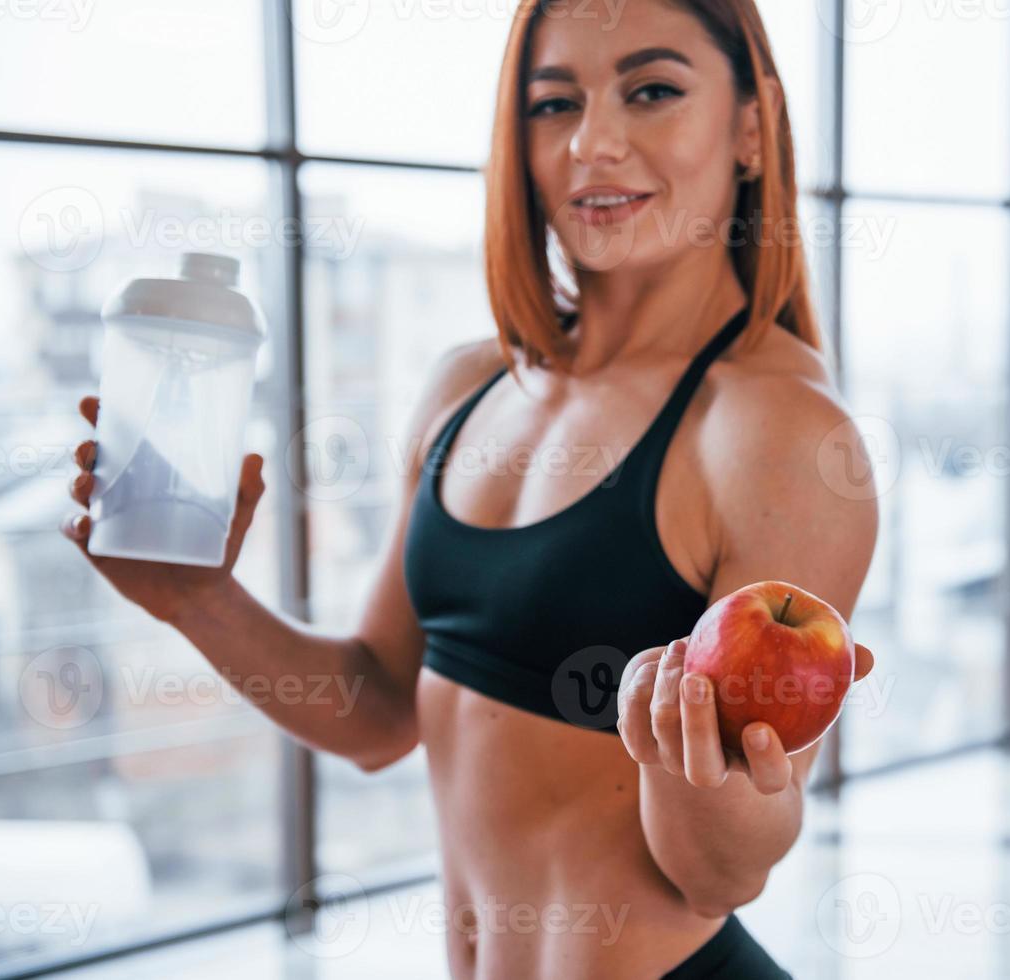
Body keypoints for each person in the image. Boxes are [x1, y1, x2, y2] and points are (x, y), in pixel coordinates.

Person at [63, 1, 879, 976]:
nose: (593, 141)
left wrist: (684, 761)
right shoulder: (467, 386)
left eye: (652, 91)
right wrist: (196, 597)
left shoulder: (780, 431)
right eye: (553, 103)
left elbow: (717, 872)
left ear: (752, 128)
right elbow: (376, 707)